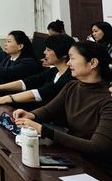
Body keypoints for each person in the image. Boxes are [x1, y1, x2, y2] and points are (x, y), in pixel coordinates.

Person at [13, 41, 112, 169]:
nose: (68, 63)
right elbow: (49, 110)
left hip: (98, 167)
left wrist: (43, 130)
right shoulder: (72, 86)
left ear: (93, 63)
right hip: (73, 156)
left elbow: (97, 147)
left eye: (72, 58)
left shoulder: (107, 99)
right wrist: (31, 115)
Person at [0, 34, 75, 108]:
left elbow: (40, 93)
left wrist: (4, 99)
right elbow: (27, 82)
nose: (44, 52)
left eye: (48, 50)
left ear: (63, 55)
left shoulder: (68, 77)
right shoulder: (54, 71)